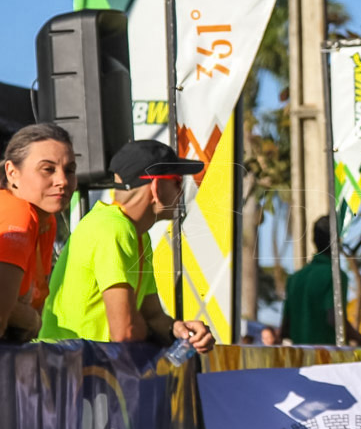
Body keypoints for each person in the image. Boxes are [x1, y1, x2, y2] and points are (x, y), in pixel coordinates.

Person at [39, 140, 214, 354]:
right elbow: (126, 331)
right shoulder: (113, 228)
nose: (182, 191)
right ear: (156, 187)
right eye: (178, 181)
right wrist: (164, 340)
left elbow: (152, 315)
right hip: (65, 374)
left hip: (84, 371)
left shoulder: (136, 233)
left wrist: (179, 331)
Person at [0, 124, 77, 342]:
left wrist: (29, 320)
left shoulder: (46, 221)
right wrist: (29, 320)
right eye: (48, 169)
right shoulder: (18, 213)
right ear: (12, 173)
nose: (62, 181)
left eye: (70, 170)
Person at [281, 215, 348, 345]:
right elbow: (335, 320)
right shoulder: (335, 276)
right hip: (327, 359)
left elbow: (285, 329)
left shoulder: (294, 278)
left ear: (314, 240)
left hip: (299, 360)